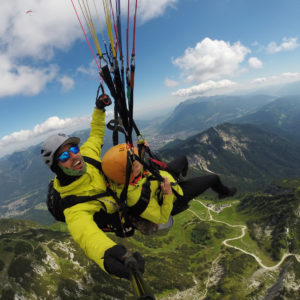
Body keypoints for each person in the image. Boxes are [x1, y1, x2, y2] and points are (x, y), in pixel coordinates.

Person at [41, 94, 145, 280]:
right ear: (56, 167)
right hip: (119, 214)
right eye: (64, 157)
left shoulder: (87, 155)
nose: (74, 156)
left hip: (124, 194)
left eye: (74, 149)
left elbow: (96, 133)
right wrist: (107, 253)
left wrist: (99, 109)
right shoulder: (72, 206)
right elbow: (86, 235)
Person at [101, 143, 237, 235]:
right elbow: (162, 217)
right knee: (213, 179)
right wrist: (168, 194)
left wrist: (141, 150)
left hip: (163, 176)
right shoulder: (136, 199)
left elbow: (134, 167)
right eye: (136, 164)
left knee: (183, 159)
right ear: (126, 173)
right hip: (176, 195)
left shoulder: (123, 177)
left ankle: (181, 177)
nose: (140, 163)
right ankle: (224, 192)